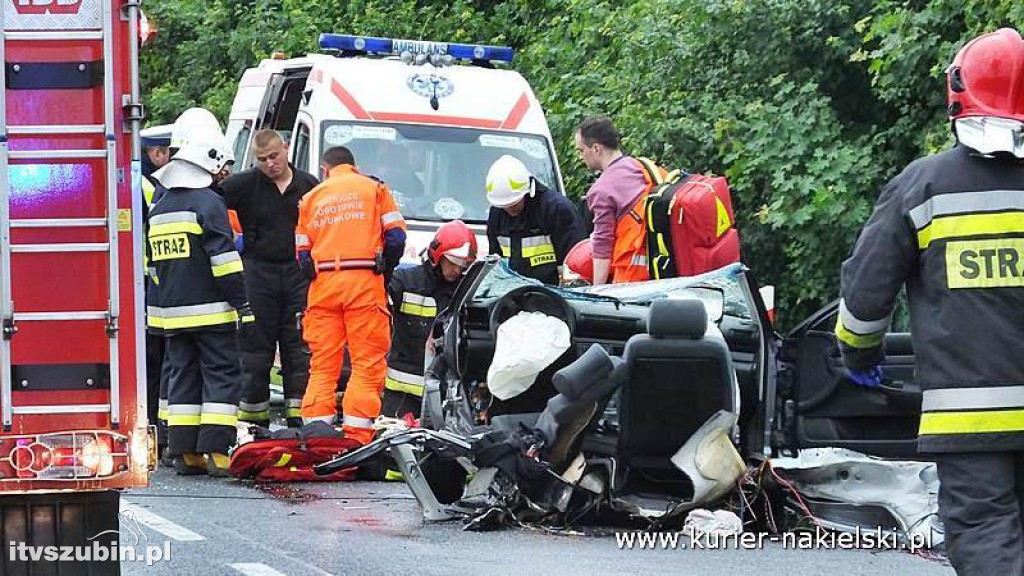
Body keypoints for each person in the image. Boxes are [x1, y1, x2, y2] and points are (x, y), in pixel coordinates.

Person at [835, 28, 1024, 576]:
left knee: (986, 536)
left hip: (972, 424)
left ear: (959, 94)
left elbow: (866, 294)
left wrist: (859, 357)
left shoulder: (925, 188)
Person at [147, 108, 252, 476]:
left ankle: (185, 452)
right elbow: (223, 261)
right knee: (222, 374)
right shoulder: (208, 202)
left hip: (172, 314)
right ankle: (217, 450)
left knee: (183, 377)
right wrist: (243, 304)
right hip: (212, 311)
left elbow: (155, 266)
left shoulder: (160, 206)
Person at [295, 146, 406, 444]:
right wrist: (384, 270)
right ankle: (358, 437)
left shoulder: (311, 198)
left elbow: (302, 256)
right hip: (363, 285)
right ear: (353, 166)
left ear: (324, 169)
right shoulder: (374, 189)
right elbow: (396, 237)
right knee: (366, 364)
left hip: (323, 288)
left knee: (322, 366)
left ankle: (316, 437)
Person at [219, 130, 320, 428]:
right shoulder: (244, 184)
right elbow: (210, 203)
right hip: (257, 271)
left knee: (298, 344)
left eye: (274, 156)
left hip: (297, 272)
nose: (269, 164)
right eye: (262, 159)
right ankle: (253, 421)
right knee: (254, 346)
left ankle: (298, 418)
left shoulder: (309, 185)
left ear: (286, 149)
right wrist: (231, 241)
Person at [382, 220, 477, 418]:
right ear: (437, 255)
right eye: (453, 263)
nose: (457, 271)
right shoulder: (405, 281)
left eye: (463, 266)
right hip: (402, 393)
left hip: (444, 395)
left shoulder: (466, 292)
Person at [574, 115, 664, 285]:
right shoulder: (641, 166)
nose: (581, 156)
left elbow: (603, 246)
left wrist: (598, 290)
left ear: (596, 149)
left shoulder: (601, 190)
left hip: (632, 280)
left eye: (581, 150)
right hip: (662, 270)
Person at [485, 155, 586, 285]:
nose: (509, 209)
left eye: (514, 203)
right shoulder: (497, 215)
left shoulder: (556, 210)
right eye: (504, 206)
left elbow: (576, 264)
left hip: (552, 295)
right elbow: (495, 265)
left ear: (528, 192)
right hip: (512, 297)